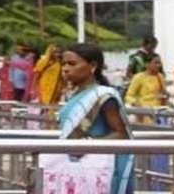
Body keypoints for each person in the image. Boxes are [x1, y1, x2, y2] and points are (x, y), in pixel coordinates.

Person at [58, 42, 135, 194]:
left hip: (97, 169)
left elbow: (121, 134)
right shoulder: (75, 95)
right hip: (76, 166)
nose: (65, 69)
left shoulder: (103, 95)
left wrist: (88, 145)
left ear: (93, 66)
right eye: (64, 64)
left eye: (72, 64)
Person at [125, 54, 168, 122]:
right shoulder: (139, 77)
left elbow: (164, 94)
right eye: (156, 63)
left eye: (159, 63)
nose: (158, 65)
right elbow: (128, 96)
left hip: (159, 111)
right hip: (144, 112)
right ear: (147, 64)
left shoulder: (160, 76)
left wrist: (166, 95)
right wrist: (136, 103)